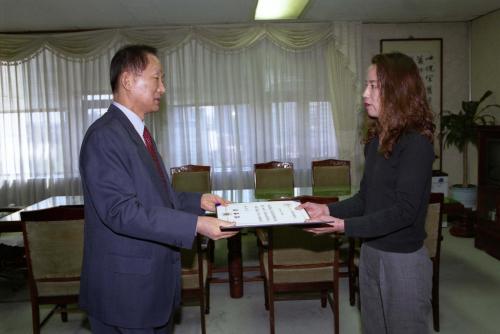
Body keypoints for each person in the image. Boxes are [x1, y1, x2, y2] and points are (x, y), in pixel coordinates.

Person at [79, 44, 237, 333]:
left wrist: (199, 201)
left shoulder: (136, 132)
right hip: (125, 293)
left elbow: (156, 197)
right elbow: (121, 211)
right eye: (157, 78)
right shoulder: (105, 136)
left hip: (149, 285)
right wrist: (196, 224)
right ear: (128, 81)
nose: (162, 88)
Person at [301, 52, 435, 334]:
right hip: (371, 252)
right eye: (367, 84)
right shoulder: (376, 142)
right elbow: (366, 199)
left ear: (398, 90)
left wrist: (344, 227)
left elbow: (404, 211)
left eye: (374, 86)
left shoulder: (416, 144)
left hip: (403, 261)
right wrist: (327, 210)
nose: (365, 93)